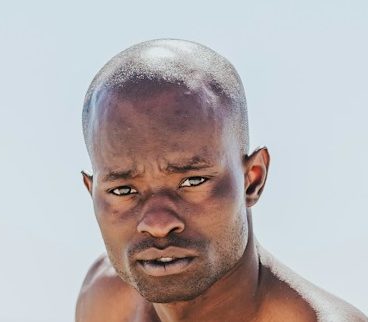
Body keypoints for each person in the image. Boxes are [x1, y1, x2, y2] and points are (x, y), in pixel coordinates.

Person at [75, 39, 367, 322]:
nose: (158, 223)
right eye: (123, 189)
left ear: (252, 180)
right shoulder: (106, 299)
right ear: (92, 194)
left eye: (193, 181)